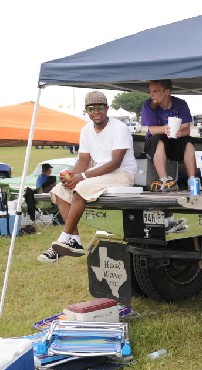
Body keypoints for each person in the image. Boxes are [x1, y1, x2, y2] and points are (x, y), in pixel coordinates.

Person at [37, 91, 137, 263]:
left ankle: (63, 240)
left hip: (122, 174)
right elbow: (83, 160)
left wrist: (81, 177)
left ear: (107, 108)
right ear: (86, 110)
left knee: (81, 187)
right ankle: (74, 241)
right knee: (60, 190)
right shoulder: (86, 130)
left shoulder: (119, 127)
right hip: (99, 174)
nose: (95, 111)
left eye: (99, 107)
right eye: (91, 108)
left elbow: (115, 163)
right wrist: (70, 176)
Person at [141, 79, 196, 191]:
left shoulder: (181, 104)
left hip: (174, 142)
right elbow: (152, 130)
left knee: (188, 143)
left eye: (155, 91)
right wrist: (166, 129)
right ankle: (165, 180)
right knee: (158, 140)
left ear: (167, 92)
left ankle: (192, 181)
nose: (151, 95)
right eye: (150, 91)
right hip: (155, 144)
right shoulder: (148, 105)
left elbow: (187, 129)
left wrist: (181, 132)